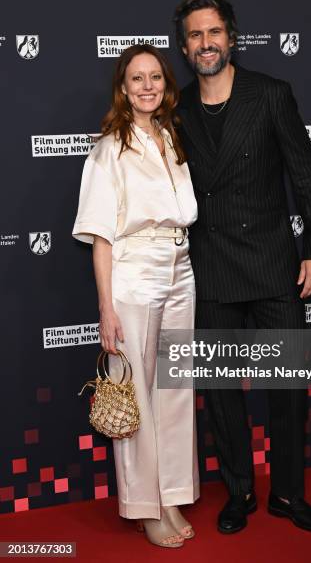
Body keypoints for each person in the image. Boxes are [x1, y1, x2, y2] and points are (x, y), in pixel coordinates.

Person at [173, 0, 311, 534]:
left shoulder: (270, 94)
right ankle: (238, 491)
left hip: (271, 266)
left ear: (231, 37)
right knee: (221, 391)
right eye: (194, 35)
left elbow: (307, 178)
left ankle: (288, 494)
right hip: (212, 268)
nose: (205, 43)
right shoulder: (177, 109)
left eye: (213, 32)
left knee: (286, 388)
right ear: (185, 46)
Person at [72, 44, 199, 548]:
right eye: (136, 79)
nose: (147, 86)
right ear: (123, 89)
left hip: (182, 271)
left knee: (175, 391)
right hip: (133, 276)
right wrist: (105, 308)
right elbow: (101, 237)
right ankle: (145, 506)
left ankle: (170, 493)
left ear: (166, 86)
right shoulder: (109, 149)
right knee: (139, 397)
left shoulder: (172, 138)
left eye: (156, 78)